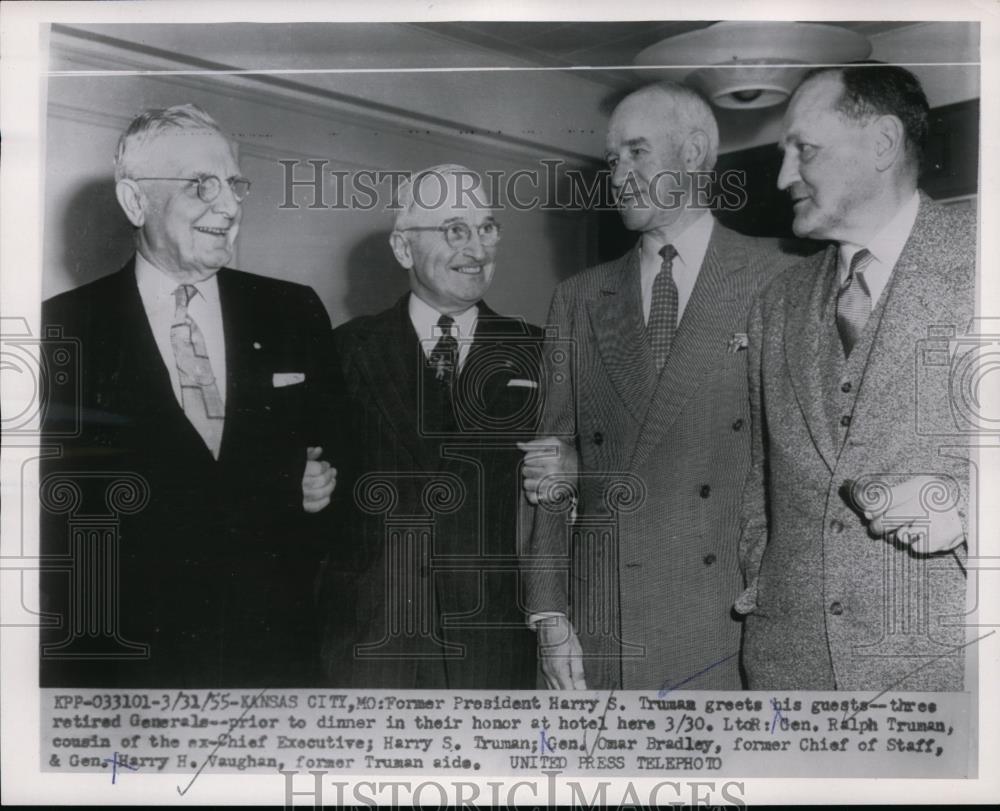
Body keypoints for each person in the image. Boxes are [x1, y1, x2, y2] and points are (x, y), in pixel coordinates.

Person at [40, 104, 338, 687]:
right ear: (134, 202)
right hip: (129, 666)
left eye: (233, 184)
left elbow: (339, 451)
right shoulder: (61, 330)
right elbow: (52, 517)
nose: (228, 207)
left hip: (271, 655)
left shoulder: (293, 310)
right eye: (201, 185)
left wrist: (318, 488)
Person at [520, 83, 799, 691]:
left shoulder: (780, 278)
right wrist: (549, 614)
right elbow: (548, 470)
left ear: (695, 152)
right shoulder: (579, 297)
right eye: (613, 158)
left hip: (728, 625)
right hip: (602, 622)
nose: (618, 174)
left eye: (637, 152)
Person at [737, 64, 973, 690]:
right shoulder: (777, 303)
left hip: (949, 674)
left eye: (804, 150)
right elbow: (759, 486)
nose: (784, 176)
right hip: (790, 673)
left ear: (883, 143)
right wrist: (765, 589)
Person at [317, 164, 541, 688]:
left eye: (487, 228)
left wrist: (575, 467)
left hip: (493, 646)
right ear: (402, 248)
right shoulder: (343, 350)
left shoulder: (539, 349)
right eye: (454, 229)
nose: (478, 249)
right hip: (368, 645)